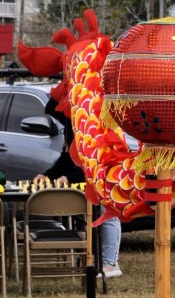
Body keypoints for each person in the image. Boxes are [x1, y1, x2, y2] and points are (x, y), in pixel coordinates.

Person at [34, 98, 122, 278]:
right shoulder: (71, 123)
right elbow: (67, 158)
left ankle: (110, 263)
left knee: (108, 214)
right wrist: (48, 175)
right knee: (96, 217)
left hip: (104, 174)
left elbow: (94, 162)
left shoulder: (90, 120)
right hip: (87, 179)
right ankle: (97, 260)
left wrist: (70, 178)